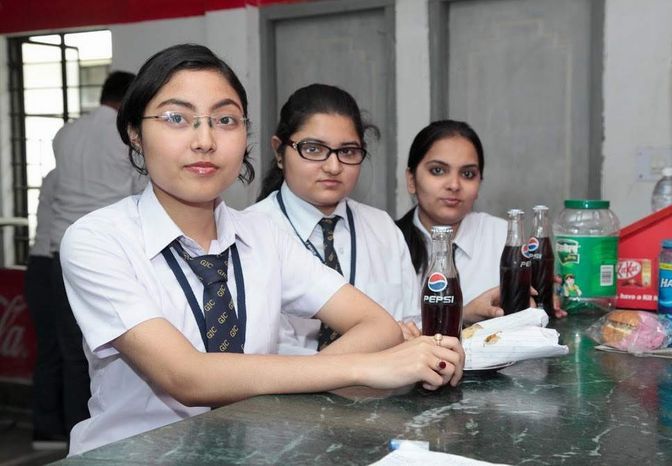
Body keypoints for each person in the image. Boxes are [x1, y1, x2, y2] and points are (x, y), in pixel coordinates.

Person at [59, 44, 464, 455]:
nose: (205, 140)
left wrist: (325, 372)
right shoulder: (98, 239)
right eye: (176, 118)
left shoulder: (264, 235)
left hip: (256, 451)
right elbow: (186, 376)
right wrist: (365, 367)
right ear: (134, 134)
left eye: (225, 120)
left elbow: (375, 323)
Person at [247, 83, 420, 354]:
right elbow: (260, 351)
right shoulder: (249, 233)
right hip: (284, 394)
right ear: (279, 152)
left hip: (384, 394)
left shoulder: (382, 228)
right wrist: (379, 348)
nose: (333, 166)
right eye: (314, 149)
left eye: (348, 151)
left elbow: (412, 323)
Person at [396, 120, 565, 334]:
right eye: (438, 170)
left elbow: (542, 298)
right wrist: (463, 315)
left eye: (468, 174)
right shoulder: (388, 242)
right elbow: (386, 329)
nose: (454, 185)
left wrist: (547, 295)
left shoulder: (506, 238)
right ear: (411, 180)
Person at [49, 70, 145, 439]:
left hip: (63, 249)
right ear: (129, 99)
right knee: (113, 359)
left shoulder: (65, 133)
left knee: (73, 354)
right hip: (111, 252)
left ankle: (73, 435)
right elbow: (141, 189)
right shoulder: (126, 137)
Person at [23, 170, 66, 450]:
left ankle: (49, 427)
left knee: (54, 351)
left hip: (43, 264)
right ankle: (48, 428)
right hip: (48, 263)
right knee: (56, 351)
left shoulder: (58, 175)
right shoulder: (62, 178)